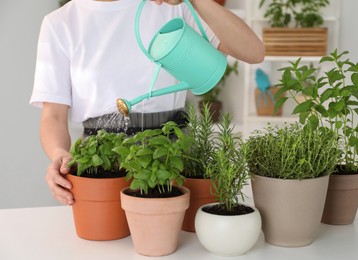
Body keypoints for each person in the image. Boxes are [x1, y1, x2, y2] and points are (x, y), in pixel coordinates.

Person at [30, 0, 265, 206]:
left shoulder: (171, 8)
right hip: (100, 163)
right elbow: (54, 116)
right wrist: (58, 153)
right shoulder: (60, 23)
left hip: (173, 158)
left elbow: (254, 52)